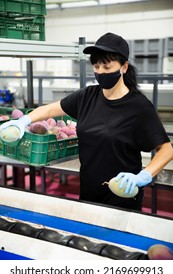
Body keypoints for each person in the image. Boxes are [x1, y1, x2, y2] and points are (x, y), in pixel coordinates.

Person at [0, 32, 173, 211]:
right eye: (96, 67)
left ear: (124, 67)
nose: (100, 72)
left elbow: (166, 149)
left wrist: (143, 176)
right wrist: (23, 121)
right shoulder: (87, 96)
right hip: (89, 191)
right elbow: (50, 109)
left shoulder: (139, 106)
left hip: (123, 196)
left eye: (107, 67)